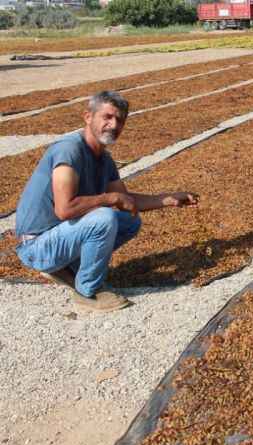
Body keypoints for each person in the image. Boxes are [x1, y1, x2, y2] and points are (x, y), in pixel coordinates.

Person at [15, 91, 198, 312]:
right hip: (36, 244)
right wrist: (109, 198)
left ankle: (69, 266)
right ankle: (87, 291)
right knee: (104, 217)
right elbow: (64, 209)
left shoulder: (105, 160)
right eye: (107, 117)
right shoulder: (69, 150)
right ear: (88, 117)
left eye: (120, 120)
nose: (113, 125)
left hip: (61, 236)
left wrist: (168, 199)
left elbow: (126, 201)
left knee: (129, 221)